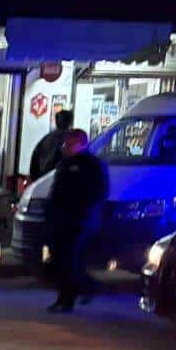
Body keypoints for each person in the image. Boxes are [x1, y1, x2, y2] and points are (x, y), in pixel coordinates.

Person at [44, 129, 108, 314]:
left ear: (82, 144)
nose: (66, 148)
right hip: (62, 219)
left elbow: (99, 192)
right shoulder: (64, 163)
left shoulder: (91, 165)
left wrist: (84, 211)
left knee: (69, 260)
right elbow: (57, 190)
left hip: (80, 220)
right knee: (64, 260)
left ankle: (66, 300)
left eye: (70, 144)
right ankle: (87, 288)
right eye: (65, 144)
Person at [29, 108, 73, 181]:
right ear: (69, 122)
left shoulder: (46, 138)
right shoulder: (70, 139)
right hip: (55, 181)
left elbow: (35, 159)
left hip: (43, 180)